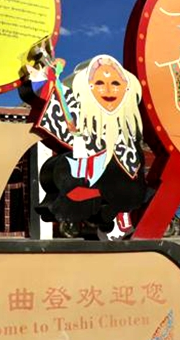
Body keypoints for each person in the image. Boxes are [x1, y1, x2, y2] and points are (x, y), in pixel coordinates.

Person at [23, 52, 148, 237]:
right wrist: (49, 70)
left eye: (116, 83)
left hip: (124, 184)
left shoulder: (130, 128)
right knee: (69, 170)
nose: (108, 89)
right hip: (92, 171)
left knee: (129, 185)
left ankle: (117, 214)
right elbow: (48, 94)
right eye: (99, 83)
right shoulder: (79, 111)